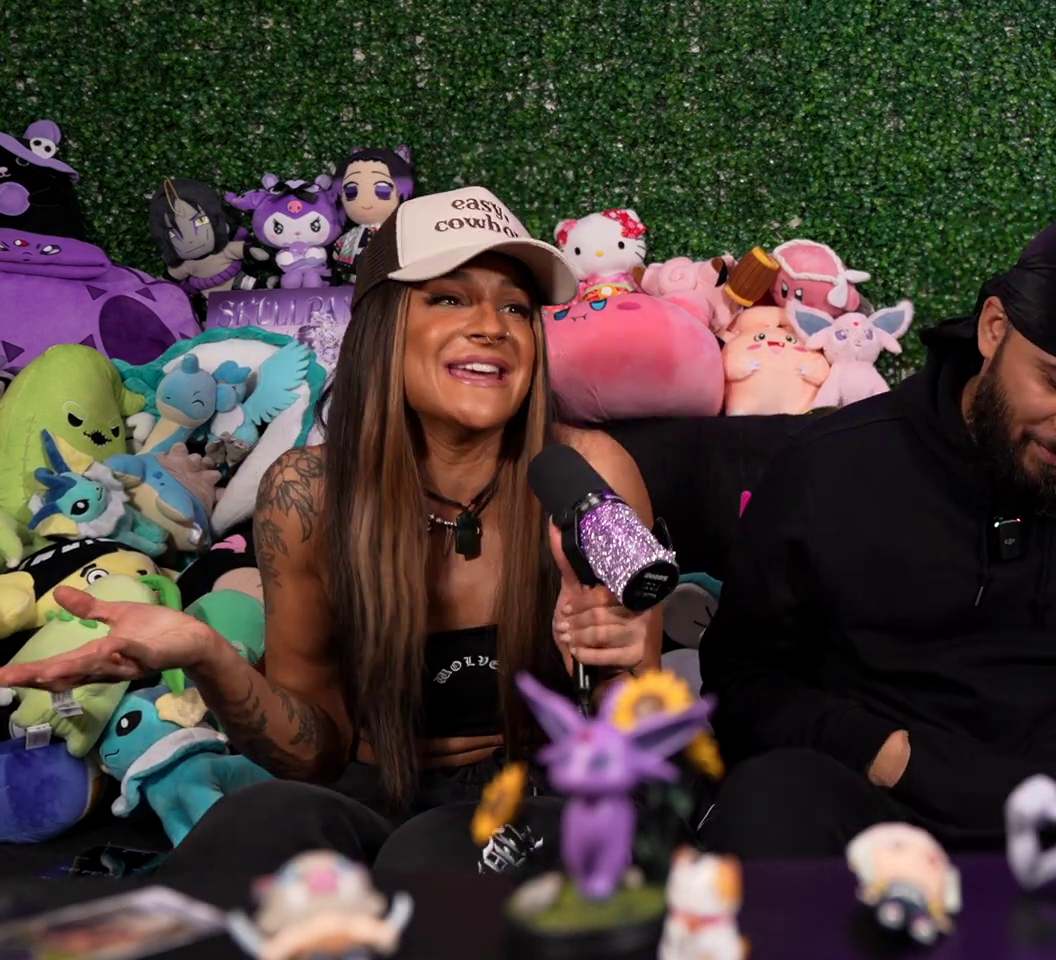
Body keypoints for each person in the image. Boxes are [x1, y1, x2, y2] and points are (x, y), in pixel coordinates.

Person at [0, 187, 664, 877]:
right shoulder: (306, 495)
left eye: (516, 308)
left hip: (546, 801)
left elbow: (639, 735)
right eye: (449, 298)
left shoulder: (592, 472)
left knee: (450, 860)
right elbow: (312, 756)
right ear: (382, 326)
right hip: (383, 799)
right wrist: (208, 656)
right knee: (260, 821)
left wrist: (619, 669)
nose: (492, 326)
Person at [698, 215, 1056, 857]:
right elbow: (743, 678)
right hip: (881, 813)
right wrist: (884, 754)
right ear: (995, 329)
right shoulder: (830, 466)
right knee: (767, 804)